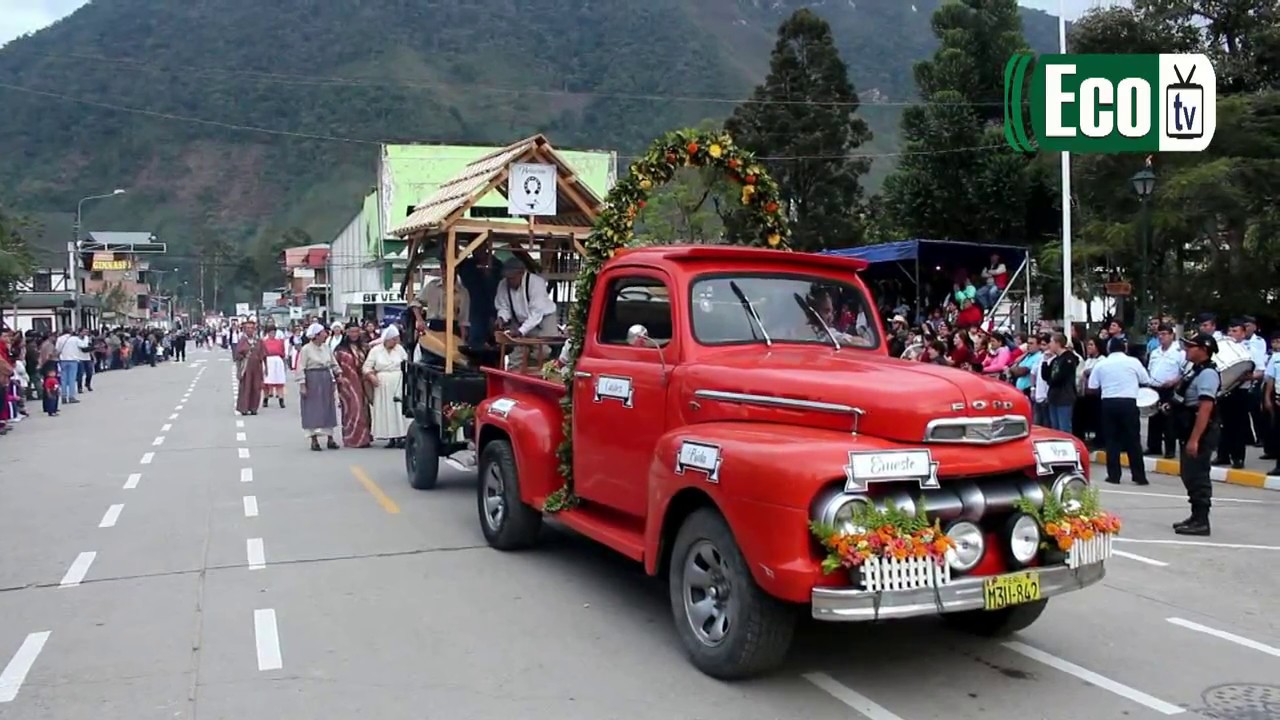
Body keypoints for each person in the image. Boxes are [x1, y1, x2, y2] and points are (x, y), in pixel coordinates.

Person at [1173, 334, 1221, 536]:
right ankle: (1195, 516)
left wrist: (1195, 439)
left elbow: (1205, 408)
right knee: (1189, 474)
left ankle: (1202, 521)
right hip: (1188, 427)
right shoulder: (1195, 370)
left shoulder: (1208, 374)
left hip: (1201, 430)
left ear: (1203, 349)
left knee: (1198, 475)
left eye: (1191, 346)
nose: (1186, 349)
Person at [1087, 340, 1151, 485]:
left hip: (1109, 403)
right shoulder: (1133, 362)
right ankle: (1139, 476)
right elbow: (1145, 380)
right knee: (1133, 440)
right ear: (1125, 348)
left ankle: (1114, 476)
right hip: (1129, 402)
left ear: (1109, 349)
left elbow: (1092, 386)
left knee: (1112, 441)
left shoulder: (1101, 364)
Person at [494, 256, 559, 369]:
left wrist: (521, 332)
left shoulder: (536, 283)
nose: (509, 281)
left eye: (512, 278)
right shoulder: (503, 284)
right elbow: (503, 307)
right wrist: (501, 318)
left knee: (544, 350)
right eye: (507, 278)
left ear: (521, 273)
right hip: (520, 321)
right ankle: (514, 376)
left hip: (544, 319)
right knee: (517, 352)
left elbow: (536, 313)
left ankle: (541, 371)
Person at [1213, 319, 1258, 469]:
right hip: (1225, 390)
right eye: (1230, 331)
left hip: (1240, 391)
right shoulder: (1223, 348)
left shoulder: (1251, 350)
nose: (1232, 334)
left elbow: (1260, 372)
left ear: (1243, 333)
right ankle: (1223, 455)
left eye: (1236, 331)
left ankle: (1238, 458)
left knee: (1238, 427)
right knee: (1223, 425)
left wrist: (1246, 376)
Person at [364, 324, 411, 448]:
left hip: (398, 381)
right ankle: (390, 437)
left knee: (398, 409)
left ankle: (401, 435)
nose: (395, 342)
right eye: (393, 339)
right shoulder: (376, 351)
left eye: (396, 339)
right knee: (387, 410)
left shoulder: (399, 349)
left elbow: (406, 363)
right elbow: (367, 367)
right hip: (383, 383)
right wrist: (371, 376)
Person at [297, 323, 340, 451]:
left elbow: (333, 363)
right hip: (312, 379)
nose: (325, 335)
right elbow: (300, 367)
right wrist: (303, 385)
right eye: (323, 333)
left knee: (328, 407)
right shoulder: (306, 349)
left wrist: (338, 372)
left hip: (325, 378)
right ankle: (314, 439)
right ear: (316, 335)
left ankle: (330, 438)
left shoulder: (326, 348)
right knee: (312, 409)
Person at [1145, 324, 1185, 459]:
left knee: (1169, 419)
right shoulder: (1155, 352)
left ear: (1171, 335)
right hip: (1155, 387)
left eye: (1164, 334)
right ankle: (1154, 446)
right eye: (1159, 334)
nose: (1161, 337)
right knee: (1154, 418)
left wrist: (1175, 381)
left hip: (1170, 388)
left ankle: (1170, 449)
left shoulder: (1179, 352)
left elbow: (1184, 372)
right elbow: (1150, 369)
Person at [334, 325, 373, 449]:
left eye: (356, 331)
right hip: (347, 384)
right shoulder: (340, 349)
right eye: (352, 331)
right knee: (351, 410)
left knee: (364, 410)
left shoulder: (365, 347)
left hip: (363, 381)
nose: (354, 334)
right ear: (347, 332)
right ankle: (352, 438)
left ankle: (365, 437)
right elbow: (335, 366)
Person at [1045, 334, 1078, 433]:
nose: (1049, 345)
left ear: (1058, 343)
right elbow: (1046, 376)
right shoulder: (1055, 359)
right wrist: (1045, 362)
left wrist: (1051, 381)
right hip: (1054, 395)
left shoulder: (1068, 359)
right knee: (1055, 427)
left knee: (1064, 426)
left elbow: (1060, 377)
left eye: (1051, 342)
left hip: (1064, 396)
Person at [234, 320, 266, 416]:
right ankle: (244, 408)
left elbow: (263, 354)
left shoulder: (259, 341)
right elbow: (237, 354)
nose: (250, 330)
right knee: (246, 387)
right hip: (246, 367)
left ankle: (253, 408)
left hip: (257, 367)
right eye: (247, 328)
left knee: (256, 387)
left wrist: (265, 367)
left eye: (251, 328)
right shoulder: (242, 341)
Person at [261, 324, 288, 409]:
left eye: (274, 332)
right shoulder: (264, 342)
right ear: (268, 333)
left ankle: (281, 399)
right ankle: (265, 399)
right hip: (268, 361)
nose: (272, 334)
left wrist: (284, 364)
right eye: (271, 332)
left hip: (277, 361)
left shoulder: (279, 342)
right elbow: (262, 353)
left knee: (279, 381)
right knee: (266, 381)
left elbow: (283, 353)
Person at [54, 327, 82, 405]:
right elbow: (82, 345)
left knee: (63, 379)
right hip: (73, 360)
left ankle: (63, 396)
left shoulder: (59, 339)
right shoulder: (75, 339)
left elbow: (57, 349)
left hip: (63, 360)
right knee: (72, 379)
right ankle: (71, 396)